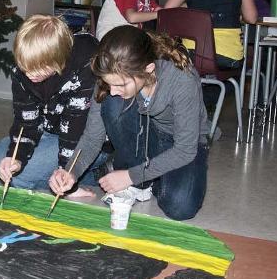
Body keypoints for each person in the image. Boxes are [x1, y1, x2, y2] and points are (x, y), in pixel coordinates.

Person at [49, 25, 211, 221]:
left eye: (121, 84)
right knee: (112, 102)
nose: (114, 90)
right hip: (147, 134)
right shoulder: (111, 79)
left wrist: (130, 176)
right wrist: (70, 172)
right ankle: (140, 176)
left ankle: (141, 175)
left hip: (183, 144)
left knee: (179, 206)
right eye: (109, 83)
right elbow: (92, 138)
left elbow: (185, 149)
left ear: (148, 69)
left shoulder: (181, 80)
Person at [0, 15, 107, 192]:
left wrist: (67, 176)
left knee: (21, 179)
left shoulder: (86, 63)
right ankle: (89, 175)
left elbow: (75, 129)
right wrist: (16, 157)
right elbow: (27, 121)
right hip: (50, 134)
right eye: (24, 66)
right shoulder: (24, 71)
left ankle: (88, 173)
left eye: (38, 68)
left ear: (58, 58)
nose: (30, 74)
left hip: (86, 142)